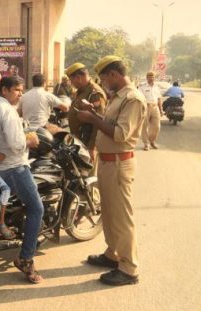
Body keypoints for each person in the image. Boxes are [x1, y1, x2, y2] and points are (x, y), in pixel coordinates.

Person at [75, 55, 146, 287]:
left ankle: (129, 269)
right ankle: (113, 254)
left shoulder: (133, 99)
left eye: (103, 77)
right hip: (107, 162)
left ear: (113, 74)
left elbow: (119, 134)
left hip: (119, 163)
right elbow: (111, 124)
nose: (102, 82)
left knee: (122, 217)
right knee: (108, 212)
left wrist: (92, 120)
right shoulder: (117, 96)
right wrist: (94, 114)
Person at [0, 75, 44, 284]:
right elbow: (16, 145)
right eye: (17, 90)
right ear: (5, 90)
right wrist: (30, 139)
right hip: (14, 167)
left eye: (21, 90)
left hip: (0, 167)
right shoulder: (7, 111)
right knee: (37, 209)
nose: (20, 93)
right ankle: (26, 258)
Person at [66, 63, 107, 164]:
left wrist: (92, 147)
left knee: (89, 176)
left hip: (87, 141)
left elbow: (99, 122)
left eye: (71, 80)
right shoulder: (81, 91)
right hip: (80, 139)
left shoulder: (94, 93)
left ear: (78, 77)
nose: (71, 83)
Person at [138, 71, 162, 150]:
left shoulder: (157, 87)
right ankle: (146, 144)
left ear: (154, 78)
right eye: (149, 77)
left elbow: (159, 99)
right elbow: (139, 98)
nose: (151, 78)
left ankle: (152, 141)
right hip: (146, 107)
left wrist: (161, 110)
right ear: (147, 78)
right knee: (144, 126)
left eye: (152, 77)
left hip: (155, 107)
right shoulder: (142, 86)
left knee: (157, 126)